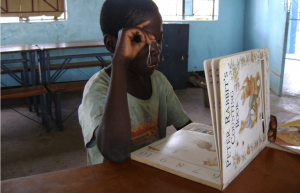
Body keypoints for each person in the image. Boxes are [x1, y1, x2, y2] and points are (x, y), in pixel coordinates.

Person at [78, 0, 277, 165]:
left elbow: (188, 128)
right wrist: (120, 62)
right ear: (113, 45)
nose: (155, 49)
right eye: (140, 40)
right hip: (111, 184)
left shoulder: (158, 82)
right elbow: (116, 152)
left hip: (149, 177)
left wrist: (246, 131)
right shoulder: (96, 91)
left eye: (158, 40)